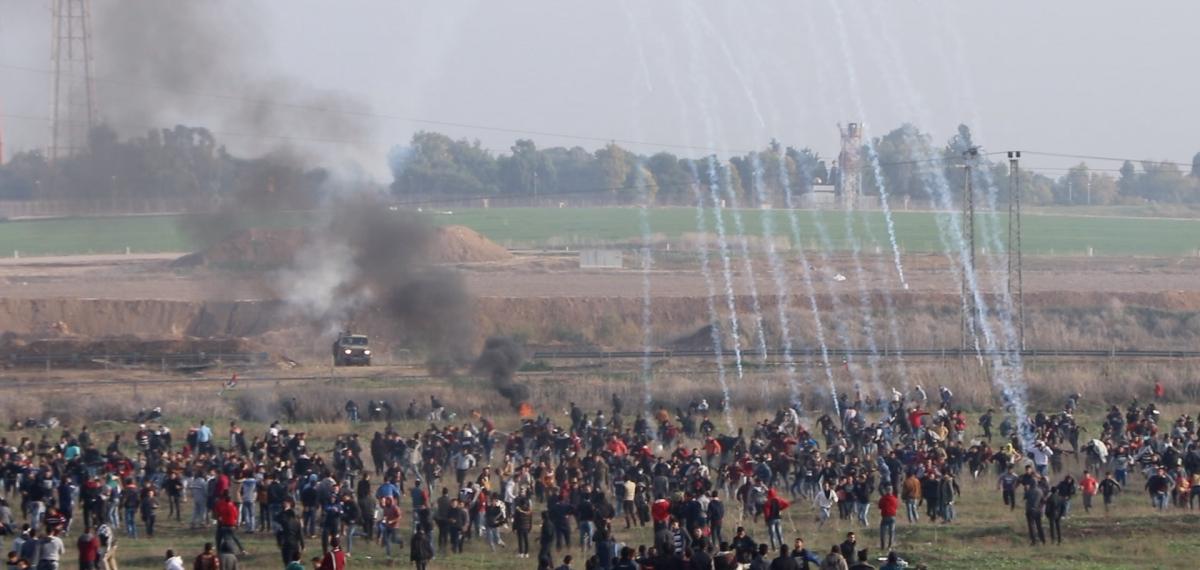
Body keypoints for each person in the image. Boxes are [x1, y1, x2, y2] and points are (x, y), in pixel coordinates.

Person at [1024, 481, 1046, 546]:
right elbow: (1043, 501)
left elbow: (1025, 497)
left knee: (1031, 526)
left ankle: (1034, 541)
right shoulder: (1040, 491)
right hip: (1038, 510)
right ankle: (1043, 540)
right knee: (1039, 525)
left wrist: (1026, 490)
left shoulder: (1029, 491)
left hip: (1030, 510)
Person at [877, 487, 898, 552]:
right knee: (891, 532)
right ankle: (890, 546)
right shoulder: (894, 498)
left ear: (886, 491)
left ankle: (883, 546)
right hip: (893, 516)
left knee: (883, 532)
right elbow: (896, 506)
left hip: (885, 516)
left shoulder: (883, 498)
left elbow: (879, 506)